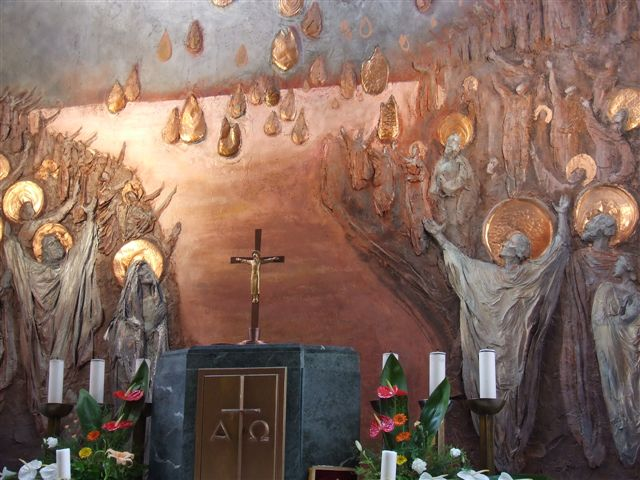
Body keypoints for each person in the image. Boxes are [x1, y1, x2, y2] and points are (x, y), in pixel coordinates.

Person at [423, 194, 570, 471]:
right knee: (487, 396)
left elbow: (556, 254)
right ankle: (496, 456)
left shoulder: (530, 276)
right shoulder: (487, 275)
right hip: (487, 350)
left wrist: (562, 215)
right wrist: (439, 237)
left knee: (512, 400)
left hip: (515, 354)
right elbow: (463, 265)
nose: (504, 245)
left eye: (511, 242)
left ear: (521, 252)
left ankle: (509, 453)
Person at [3, 200, 102, 426]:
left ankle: (63, 404)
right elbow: (20, 261)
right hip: (42, 331)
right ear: (42, 253)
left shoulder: (69, 270)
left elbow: (81, 253)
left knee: (63, 364)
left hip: (64, 328)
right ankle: (45, 411)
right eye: (49, 245)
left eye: (57, 242)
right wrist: (9, 239)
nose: (55, 246)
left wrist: (89, 219)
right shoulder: (36, 271)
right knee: (42, 369)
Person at [559, 213, 620, 467]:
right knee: (588, 381)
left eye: (595, 222)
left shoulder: (622, 260)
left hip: (615, 335)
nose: (588, 225)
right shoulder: (580, 259)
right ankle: (592, 438)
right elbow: (573, 297)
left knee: (615, 383)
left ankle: (618, 438)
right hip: (584, 329)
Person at [591, 255, 640, 467]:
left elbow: (630, 319)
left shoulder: (634, 295)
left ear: (627, 268)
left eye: (619, 263)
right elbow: (601, 320)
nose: (615, 266)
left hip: (628, 347)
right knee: (613, 384)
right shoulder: (607, 288)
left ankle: (631, 431)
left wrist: (614, 320)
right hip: (610, 344)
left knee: (630, 387)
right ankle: (622, 429)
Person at [106, 259, 168, 393]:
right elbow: (126, 334)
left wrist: (155, 325)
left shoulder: (158, 301)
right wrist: (147, 327)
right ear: (134, 276)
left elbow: (160, 338)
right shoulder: (128, 309)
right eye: (142, 270)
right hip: (137, 364)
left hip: (152, 361)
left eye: (148, 268)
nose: (148, 272)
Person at [428, 133, 478, 249]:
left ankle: (461, 252)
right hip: (443, 201)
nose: (451, 146)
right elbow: (434, 184)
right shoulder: (440, 162)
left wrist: (447, 185)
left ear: (459, 146)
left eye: (455, 143)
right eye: (450, 143)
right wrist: (437, 191)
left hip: (457, 202)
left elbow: (463, 180)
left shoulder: (462, 162)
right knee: (446, 229)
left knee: (456, 229)